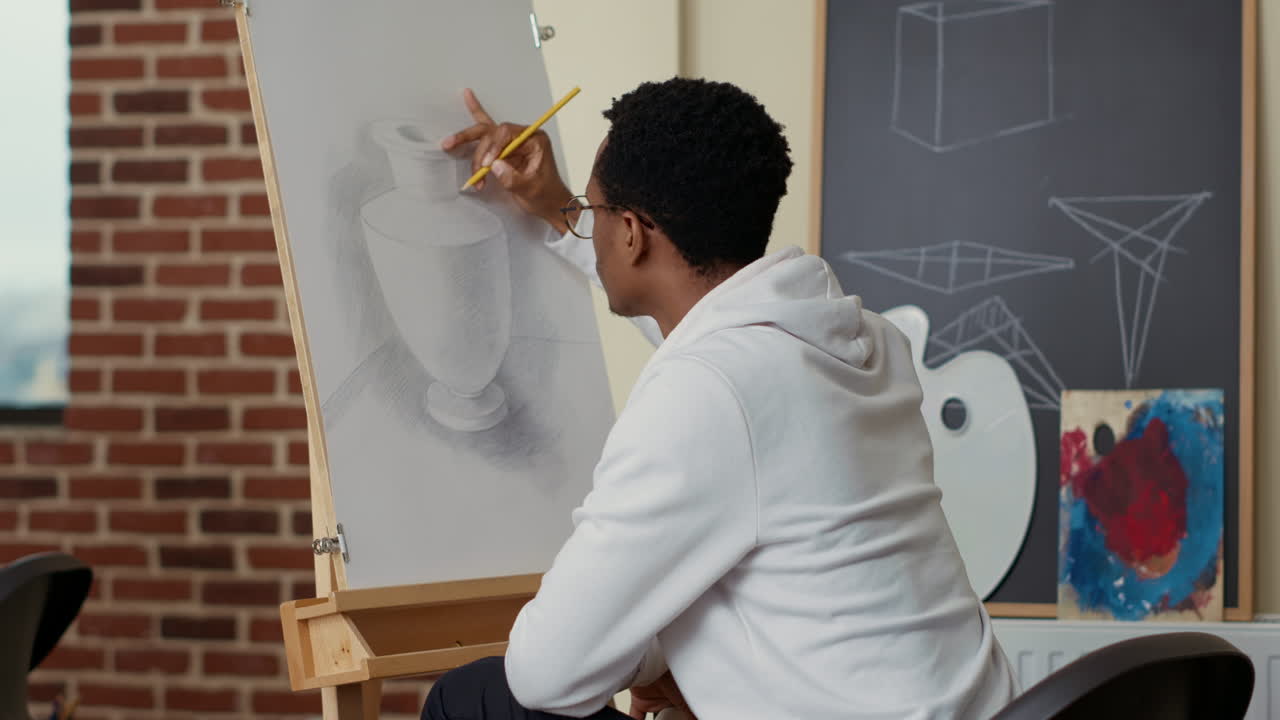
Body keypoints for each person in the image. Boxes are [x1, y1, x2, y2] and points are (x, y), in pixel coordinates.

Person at [421, 77, 1018, 720]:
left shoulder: (706, 395)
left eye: (592, 215)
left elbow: (546, 673)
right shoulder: (862, 343)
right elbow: (703, 337)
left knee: (477, 699)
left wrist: (654, 654)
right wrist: (560, 208)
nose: (586, 227)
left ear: (631, 232)